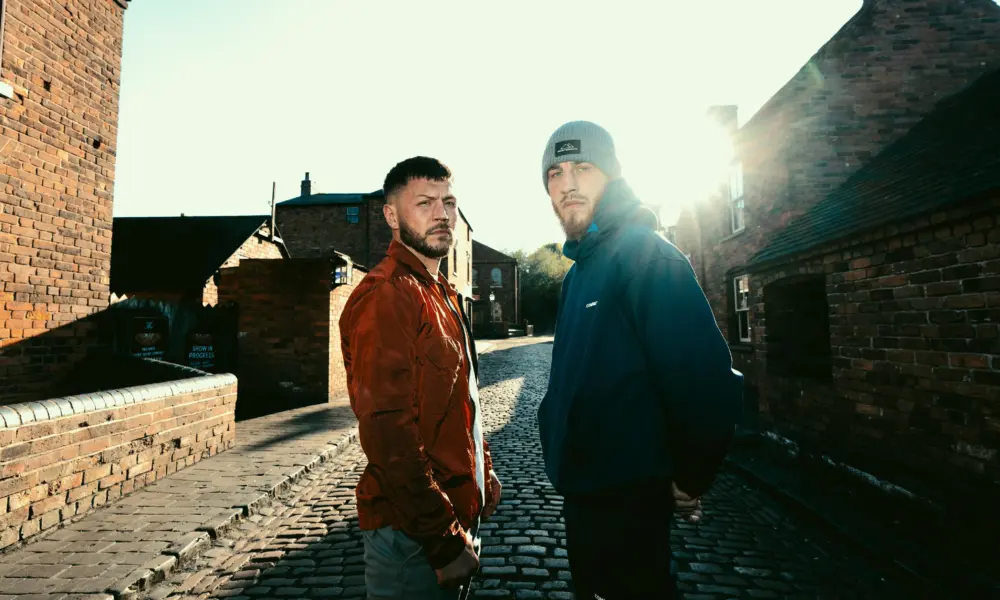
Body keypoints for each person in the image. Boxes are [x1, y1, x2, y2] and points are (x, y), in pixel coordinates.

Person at [536, 121, 744, 599]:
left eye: (583, 168)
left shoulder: (647, 256)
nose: (567, 184)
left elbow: (706, 383)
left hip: (628, 503)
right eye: (555, 173)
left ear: (611, 176)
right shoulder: (577, 276)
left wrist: (689, 477)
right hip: (583, 496)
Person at [339, 156, 502, 599]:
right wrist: (442, 540)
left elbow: (461, 399)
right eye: (425, 203)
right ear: (392, 216)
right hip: (413, 540)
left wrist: (482, 470)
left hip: (454, 518)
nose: (441, 214)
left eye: (448, 202)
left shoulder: (440, 291)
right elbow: (389, 434)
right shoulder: (388, 295)